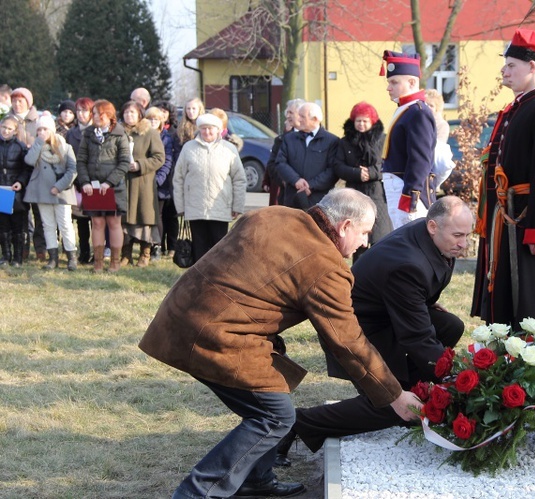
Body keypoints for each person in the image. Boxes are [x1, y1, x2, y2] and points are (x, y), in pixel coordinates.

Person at [138, 188, 422, 499]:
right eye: (364, 232)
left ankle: (255, 479)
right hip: (216, 336)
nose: (365, 242)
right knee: (276, 416)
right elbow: (348, 341)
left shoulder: (275, 213)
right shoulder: (327, 266)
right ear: (345, 227)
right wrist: (394, 394)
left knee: (272, 395)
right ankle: (198, 493)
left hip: (180, 313)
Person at [279, 196, 471, 464]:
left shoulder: (432, 239)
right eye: (458, 235)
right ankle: (295, 424)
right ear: (432, 227)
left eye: (467, 235)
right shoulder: (409, 263)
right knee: (390, 405)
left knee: (450, 326)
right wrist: (458, 377)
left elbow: (417, 299)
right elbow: (417, 337)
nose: (464, 243)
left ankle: (416, 390)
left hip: (386, 314)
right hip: (358, 329)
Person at [471, 28, 535, 331]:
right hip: (511, 214)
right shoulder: (523, 105)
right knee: (508, 295)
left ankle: (530, 360)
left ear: (532, 66)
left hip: (531, 217)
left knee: (531, 301)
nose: (504, 71)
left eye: (511, 65)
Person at [172, 113, 246, 261]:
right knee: (199, 248)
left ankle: (217, 279)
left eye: (211, 129)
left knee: (219, 248)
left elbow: (239, 179)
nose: (207, 132)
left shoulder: (229, 149)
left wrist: (237, 206)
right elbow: (178, 178)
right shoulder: (188, 148)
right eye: (204, 128)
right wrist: (180, 207)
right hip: (195, 208)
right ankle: (200, 280)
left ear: (218, 130)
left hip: (220, 207)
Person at [379, 51, 437, 230]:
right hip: (398, 187)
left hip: (408, 191)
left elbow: (420, 160)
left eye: (394, 82)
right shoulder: (407, 109)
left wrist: (410, 196)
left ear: (412, 82)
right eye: (389, 82)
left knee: (413, 241)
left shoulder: (417, 112)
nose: (389, 87)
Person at [332, 101, 392, 261]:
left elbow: (388, 163)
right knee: (357, 237)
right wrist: (357, 173)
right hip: (354, 192)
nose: (361, 124)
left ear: (372, 121)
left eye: (365, 120)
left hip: (378, 193)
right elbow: (338, 166)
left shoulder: (383, 140)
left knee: (380, 236)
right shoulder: (345, 142)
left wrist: (372, 173)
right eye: (358, 120)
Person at [76, 99, 130, 273]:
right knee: (97, 223)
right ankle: (98, 262)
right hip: (93, 188)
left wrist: (109, 182)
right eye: (95, 113)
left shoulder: (120, 134)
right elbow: (81, 160)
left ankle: (114, 262)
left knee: (114, 223)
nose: (96, 117)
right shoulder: (88, 134)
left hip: (114, 188)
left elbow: (124, 163)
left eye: (100, 113)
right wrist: (84, 182)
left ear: (109, 115)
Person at [23, 115, 78, 270]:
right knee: (48, 225)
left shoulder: (66, 147)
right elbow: (29, 161)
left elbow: (72, 170)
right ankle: (52, 258)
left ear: (52, 130)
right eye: (39, 129)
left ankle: (71, 257)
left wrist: (58, 186)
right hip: (43, 192)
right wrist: (39, 142)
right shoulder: (37, 146)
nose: (42, 132)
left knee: (65, 224)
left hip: (61, 193)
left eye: (45, 129)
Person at [119, 101, 165, 268]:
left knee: (144, 217)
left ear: (139, 114)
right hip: (123, 182)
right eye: (126, 113)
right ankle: (126, 253)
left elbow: (159, 157)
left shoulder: (150, 133)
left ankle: (145, 253)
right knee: (125, 218)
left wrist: (140, 165)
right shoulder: (118, 132)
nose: (129, 116)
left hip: (143, 182)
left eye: (132, 112)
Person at [275, 102, 338, 209]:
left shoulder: (332, 141)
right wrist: (296, 180)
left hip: (320, 200)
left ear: (315, 119)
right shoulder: (289, 139)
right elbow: (280, 163)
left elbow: (333, 170)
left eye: (302, 116)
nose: (298, 119)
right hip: (293, 198)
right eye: (298, 115)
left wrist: (311, 185)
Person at [10, 87, 45, 260]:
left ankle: (40, 248)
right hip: (16, 174)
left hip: (38, 173)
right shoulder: (8, 121)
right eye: (14, 100)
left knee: (39, 214)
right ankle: (22, 247)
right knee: (21, 213)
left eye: (20, 100)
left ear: (28, 103)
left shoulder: (38, 121)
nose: (17, 104)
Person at [67, 97, 95, 264]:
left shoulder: (95, 131)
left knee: (96, 220)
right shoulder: (71, 133)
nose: (81, 114)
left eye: (84, 110)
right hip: (76, 181)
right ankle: (84, 252)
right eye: (78, 111)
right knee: (81, 221)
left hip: (94, 181)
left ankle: (97, 252)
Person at [146, 106, 176, 261]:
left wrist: (158, 179)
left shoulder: (166, 138)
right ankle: (146, 246)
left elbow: (167, 161)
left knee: (157, 216)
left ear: (161, 121)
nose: (152, 122)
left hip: (160, 184)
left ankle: (156, 246)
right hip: (142, 182)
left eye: (155, 119)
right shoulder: (142, 135)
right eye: (150, 119)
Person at [0, 115, 30, 267]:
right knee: (3, 225)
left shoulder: (20, 147)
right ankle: (5, 255)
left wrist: (20, 182)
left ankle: (18, 257)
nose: (5, 131)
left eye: (9, 128)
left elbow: (26, 169)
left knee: (18, 225)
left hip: (16, 191)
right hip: (1, 191)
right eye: (3, 127)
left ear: (15, 131)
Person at [263, 98, 305, 206]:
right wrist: (285, 180)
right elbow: (272, 165)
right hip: (286, 196)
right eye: (287, 112)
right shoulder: (281, 140)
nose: (287, 116)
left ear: (301, 114)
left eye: (291, 112)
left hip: (310, 195)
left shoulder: (314, 138)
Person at [424, 89, 456, 189]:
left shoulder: (441, 125)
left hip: (432, 167)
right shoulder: (419, 121)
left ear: (437, 108)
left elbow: (437, 147)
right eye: (426, 104)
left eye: (431, 105)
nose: (428, 108)